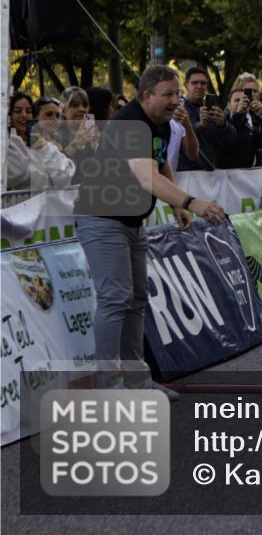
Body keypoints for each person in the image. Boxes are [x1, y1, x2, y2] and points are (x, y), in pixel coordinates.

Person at [73, 65, 226, 397]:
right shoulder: (129, 123)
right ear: (146, 96)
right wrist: (191, 202)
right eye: (167, 94)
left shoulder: (162, 124)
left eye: (177, 94)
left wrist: (176, 205)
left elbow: (161, 162)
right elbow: (146, 177)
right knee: (115, 298)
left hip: (130, 220)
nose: (175, 101)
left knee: (137, 298)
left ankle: (138, 380)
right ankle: (109, 388)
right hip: (101, 218)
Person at [5, 93, 75, 191]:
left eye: (28, 111)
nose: (24, 115)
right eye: (17, 111)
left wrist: (45, 148)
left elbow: (65, 177)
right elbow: (16, 175)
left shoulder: (47, 146)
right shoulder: (7, 146)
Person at [177, 66, 237, 170]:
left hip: (210, 171)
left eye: (203, 83)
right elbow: (177, 134)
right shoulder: (178, 106)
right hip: (185, 171)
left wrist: (223, 124)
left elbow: (231, 137)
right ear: (186, 85)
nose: (199, 86)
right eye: (195, 83)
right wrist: (200, 126)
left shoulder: (212, 107)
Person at [218, 85, 262, 169]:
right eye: (237, 100)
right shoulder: (221, 123)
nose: (241, 103)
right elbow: (229, 136)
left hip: (248, 175)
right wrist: (239, 114)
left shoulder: (248, 127)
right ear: (229, 105)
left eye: (244, 100)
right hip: (226, 175)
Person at [58, 87, 101, 182]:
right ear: (63, 111)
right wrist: (75, 144)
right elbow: (56, 169)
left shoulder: (94, 133)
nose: (82, 109)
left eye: (85, 105)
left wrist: (98, 146)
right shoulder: (55, 136)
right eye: (75, 105)